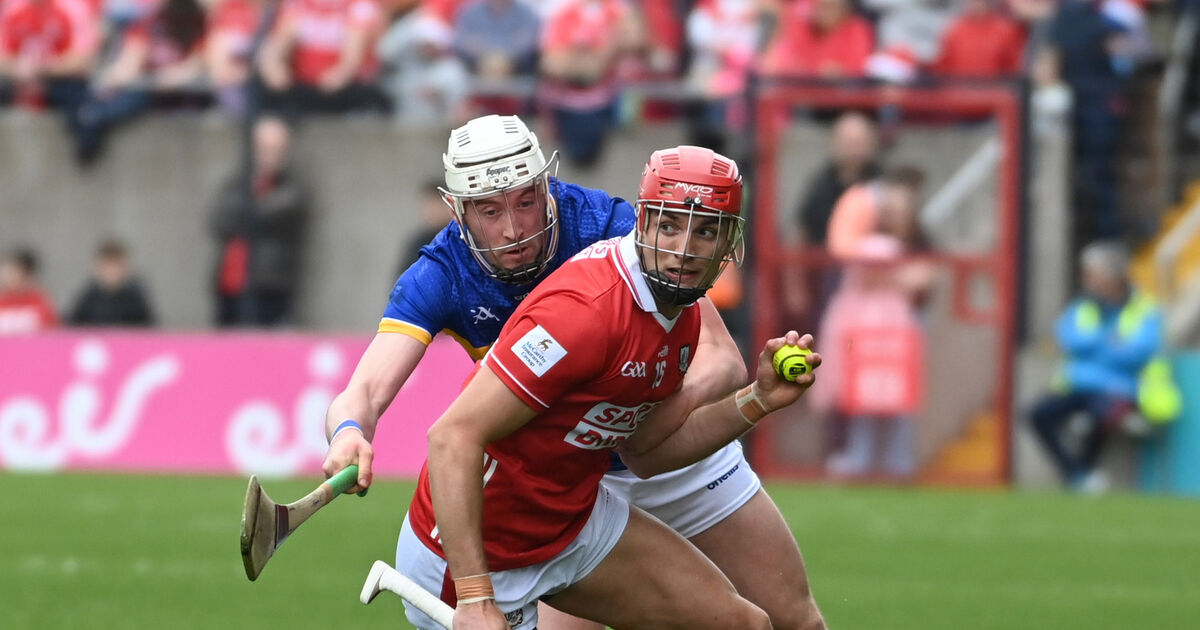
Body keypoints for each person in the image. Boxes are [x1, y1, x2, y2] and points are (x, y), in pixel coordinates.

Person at [321, 115, 827, 630]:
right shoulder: (441, 275)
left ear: (547, 184)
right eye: (490, 210)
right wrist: (348, 432)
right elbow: (370, 391)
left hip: (650, 454)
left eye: (525, 201)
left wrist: (636, 410)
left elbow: (719, 360)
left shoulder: (614, 228)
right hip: (560, 484)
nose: (513, 229)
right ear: (458, 210)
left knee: (787, 621)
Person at [1029, 241, 1169, 493]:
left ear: (1112, 276)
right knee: (1036, 414)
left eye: (1091, 274)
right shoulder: (1082, 305)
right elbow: (1069, 339)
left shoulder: (1145, 307)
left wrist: (1093, 344)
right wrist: (1111, 341)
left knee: (1102, 414)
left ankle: (1082, 473)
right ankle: (1077, 473)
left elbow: (1139, 352)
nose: (1086, 280)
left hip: (1119, 387)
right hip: (1078, 385)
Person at [210, 116, 310, 327]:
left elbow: (261, 214)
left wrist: (246, 212)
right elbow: (218, 220)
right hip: (230, 283)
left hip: (268, 288)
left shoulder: (291, 189)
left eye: (276, 149)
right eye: (263, 148)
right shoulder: (237, 183)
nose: (268, 156)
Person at [67, 239, 156, 327]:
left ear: (126, 268)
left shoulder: (135, 299)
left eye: (116, 265)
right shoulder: (88, 297)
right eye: (107, 266)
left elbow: (149, 328)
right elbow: (71, 327)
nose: (112, 271)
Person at [0, 247, 58, 334]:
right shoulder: (2, 300)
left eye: (14, 272)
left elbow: (53, 330)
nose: (8, 276)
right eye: (6, 271)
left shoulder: (40, 301)